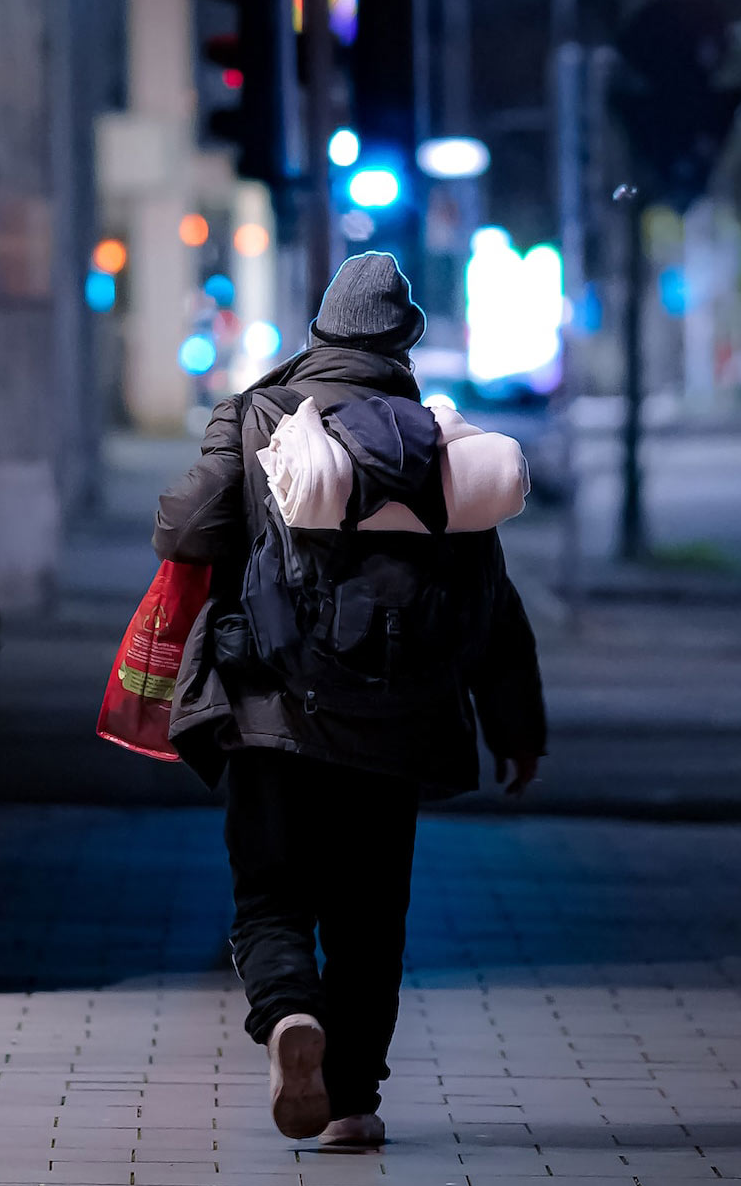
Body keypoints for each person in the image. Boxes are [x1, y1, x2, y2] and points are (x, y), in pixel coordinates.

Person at [153, 252, 546, 1148]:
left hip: (272, 709)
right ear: (405, 342)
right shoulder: (439, 446)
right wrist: (517, 727)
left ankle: (291, 1013)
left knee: (272, 891)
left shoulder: (262, 417)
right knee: (373, 913)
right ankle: (353, 1101)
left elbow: (184, 525)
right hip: (398, 721)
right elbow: (493, 599)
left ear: (319, 334)